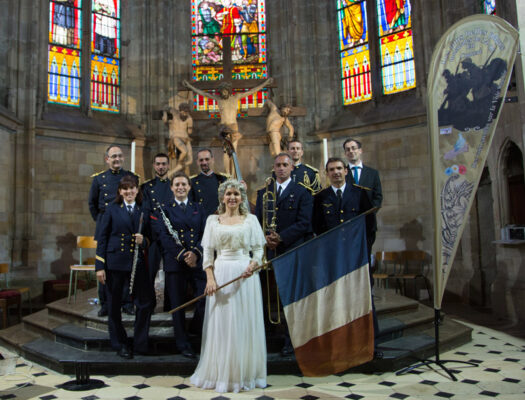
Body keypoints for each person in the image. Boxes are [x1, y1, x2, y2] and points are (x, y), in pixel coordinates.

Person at [190, 179, 267, 393]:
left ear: (241, 197)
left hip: (245, 277)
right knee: (223, 326)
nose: (232, 197)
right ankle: (221, 374)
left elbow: (259, 251)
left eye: (236, 194)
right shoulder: (212, 220)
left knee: (243, 323)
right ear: (222, 197)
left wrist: (253, 265)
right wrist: (210, 279)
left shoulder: (250, 220)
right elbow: (207, 253)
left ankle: (243, 374)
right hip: (221, 273)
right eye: (228, 193)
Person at [255, 153, 313, 356]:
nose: (281, 168)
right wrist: (265, 239)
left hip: (291, 250)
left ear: (292, 168)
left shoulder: (302, 193)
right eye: (278, 165)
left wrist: (281, 237)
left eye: (285, 165)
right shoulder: (264, 192)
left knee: (290, 296)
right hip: (268, 251)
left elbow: (305, 223)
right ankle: (267, 335)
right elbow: (257, 221)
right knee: (263, 294)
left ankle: (291, 339)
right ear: (273, 167)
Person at [95, 175, 154, 359]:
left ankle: (140, 343)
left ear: (137, 191)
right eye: (125, 189)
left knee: (145, 303)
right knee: (113, 305)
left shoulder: (143, 210)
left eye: (132, 188)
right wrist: (99, 266)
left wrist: (143, 240)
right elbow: (102, 238)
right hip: (115, 263)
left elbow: (151, 238)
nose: (129, 192)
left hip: (136, 263)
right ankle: (119, 343)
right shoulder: (111, 209)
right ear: (120, 192)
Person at [151, 172, 207, 358]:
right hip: (176, 263)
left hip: (197, 261)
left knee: (203, 298)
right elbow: (163, 236)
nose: (181, 187)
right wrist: (183, 254)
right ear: (172, 187)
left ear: (189, 187)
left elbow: (206, 233)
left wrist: (196, 253)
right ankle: (182, 343)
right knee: (178, 305)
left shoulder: (199, 207)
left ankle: (195, 332)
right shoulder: (164, 209)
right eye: (177, 184)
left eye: (184, 184)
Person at [183, 78, 273, 175]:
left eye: (225, 91)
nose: (224, 93)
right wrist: (190, 86)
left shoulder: (236, 97)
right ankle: (227, 174)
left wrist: (265, 83)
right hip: (223, 127)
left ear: (228, 90)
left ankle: (234, 174)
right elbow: (203, 93)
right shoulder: (218, 99)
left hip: (233, 126)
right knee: (225, 152)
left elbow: (252, 91)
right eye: (222, 91)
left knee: (233, 151)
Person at [89, 144, 138, 317]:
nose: (117, 159)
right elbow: (92, 204)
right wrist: (102, 222)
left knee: (126, 267)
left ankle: (126, 302)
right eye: (113, 156)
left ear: (123, 158)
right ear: (107, 159)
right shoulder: (99, 179)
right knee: (105, 266)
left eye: (119, 156)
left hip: (126, 226)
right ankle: (106, 304)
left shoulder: (131, 177)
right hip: (106, 225)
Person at [344, 138, 382, 264]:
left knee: (365, 260)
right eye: (347, 149)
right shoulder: (341, 173)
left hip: (367, 224)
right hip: (347, 225)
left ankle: (368, 284)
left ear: (360, 150)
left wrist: (368, 214)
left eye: (353, 148)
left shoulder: (372, 173)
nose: (351, 151)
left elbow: (378, 197)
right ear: (345, 153)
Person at [313, 157, 371, 235]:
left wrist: (364, 246)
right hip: (331, 245)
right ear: (327, 174)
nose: (336, 172)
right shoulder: (320, 197)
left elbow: (370, 224)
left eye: (339, 168)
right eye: (331, 169)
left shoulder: (359, 193)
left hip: (355, 243)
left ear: (346, 171)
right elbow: (317, 226)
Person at [140, 153, 173, 286]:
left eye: (164, 164)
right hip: (153, 236)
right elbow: (145, 213)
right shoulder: (146, 187)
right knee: (149, 272)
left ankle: (170, 306)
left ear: (168, 166)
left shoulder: (174, 186)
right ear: (154, 166)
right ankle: (148, 305)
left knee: (171, 272)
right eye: (158, 164)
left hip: (171, 236)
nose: (161, 167)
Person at [190, 149, 228, 217]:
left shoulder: (222, 179)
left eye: (207, 159)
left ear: (212, 160)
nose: (204, 163)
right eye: (201, 160)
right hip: (201, 220)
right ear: (197, 162)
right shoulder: (192, 182)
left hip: (219, 219)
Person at [163, 103, 193, 176]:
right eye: (183, 112)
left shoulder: (189, 119)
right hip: (176, 137)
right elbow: (165, 108)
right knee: (184, 151)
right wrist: (166, 117)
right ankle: (179, 163)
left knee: (190, 160)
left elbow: (189, 132)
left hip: (186, 138)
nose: (185, 114)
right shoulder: (174, 113)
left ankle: (175, 169)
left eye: (186, 112)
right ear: (180, 111)